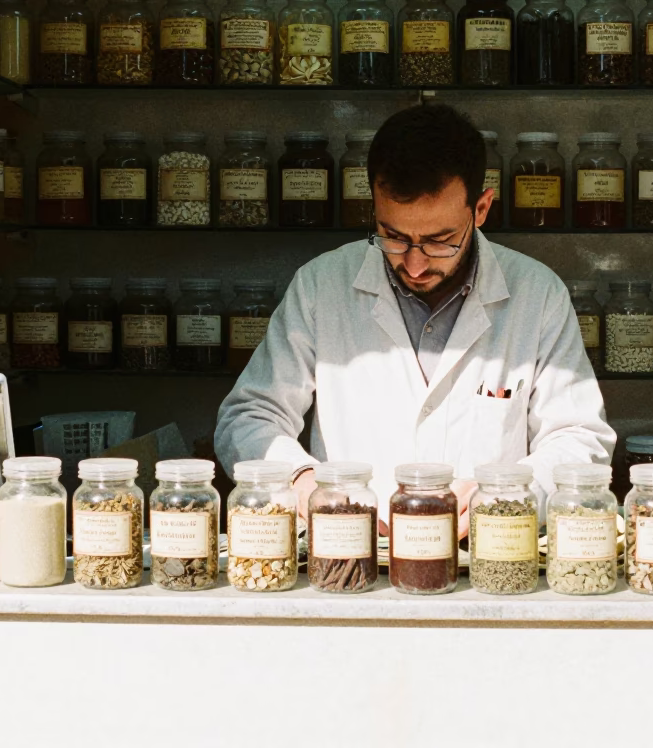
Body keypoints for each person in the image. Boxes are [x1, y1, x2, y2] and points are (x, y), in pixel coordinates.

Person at [215, 105, 616, 535]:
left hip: (488, 553)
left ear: (481, 209)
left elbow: (579, 437)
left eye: (440, 241)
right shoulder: (322, 285)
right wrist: (300, 480)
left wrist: (507, 495)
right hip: (351, 551)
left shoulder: (537, 294)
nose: (416, 263)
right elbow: (250, 415)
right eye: (394, 236)